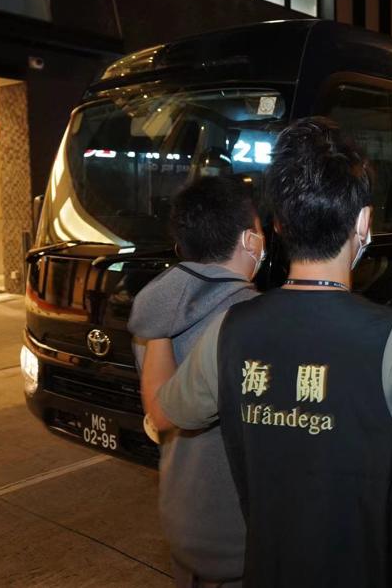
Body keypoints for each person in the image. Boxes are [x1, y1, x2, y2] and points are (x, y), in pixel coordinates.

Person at [149, 117, 392, 588]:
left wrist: (156, 329)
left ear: (279, 225)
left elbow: (165, 414)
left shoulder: (228, 331)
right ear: (364, 222)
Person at [128, 175, 265, 588]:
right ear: (249, 240)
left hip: (183, 515)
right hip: (241, 530)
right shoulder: (255, 321)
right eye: (259, 231)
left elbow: (158, 409)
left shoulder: (152, 314)